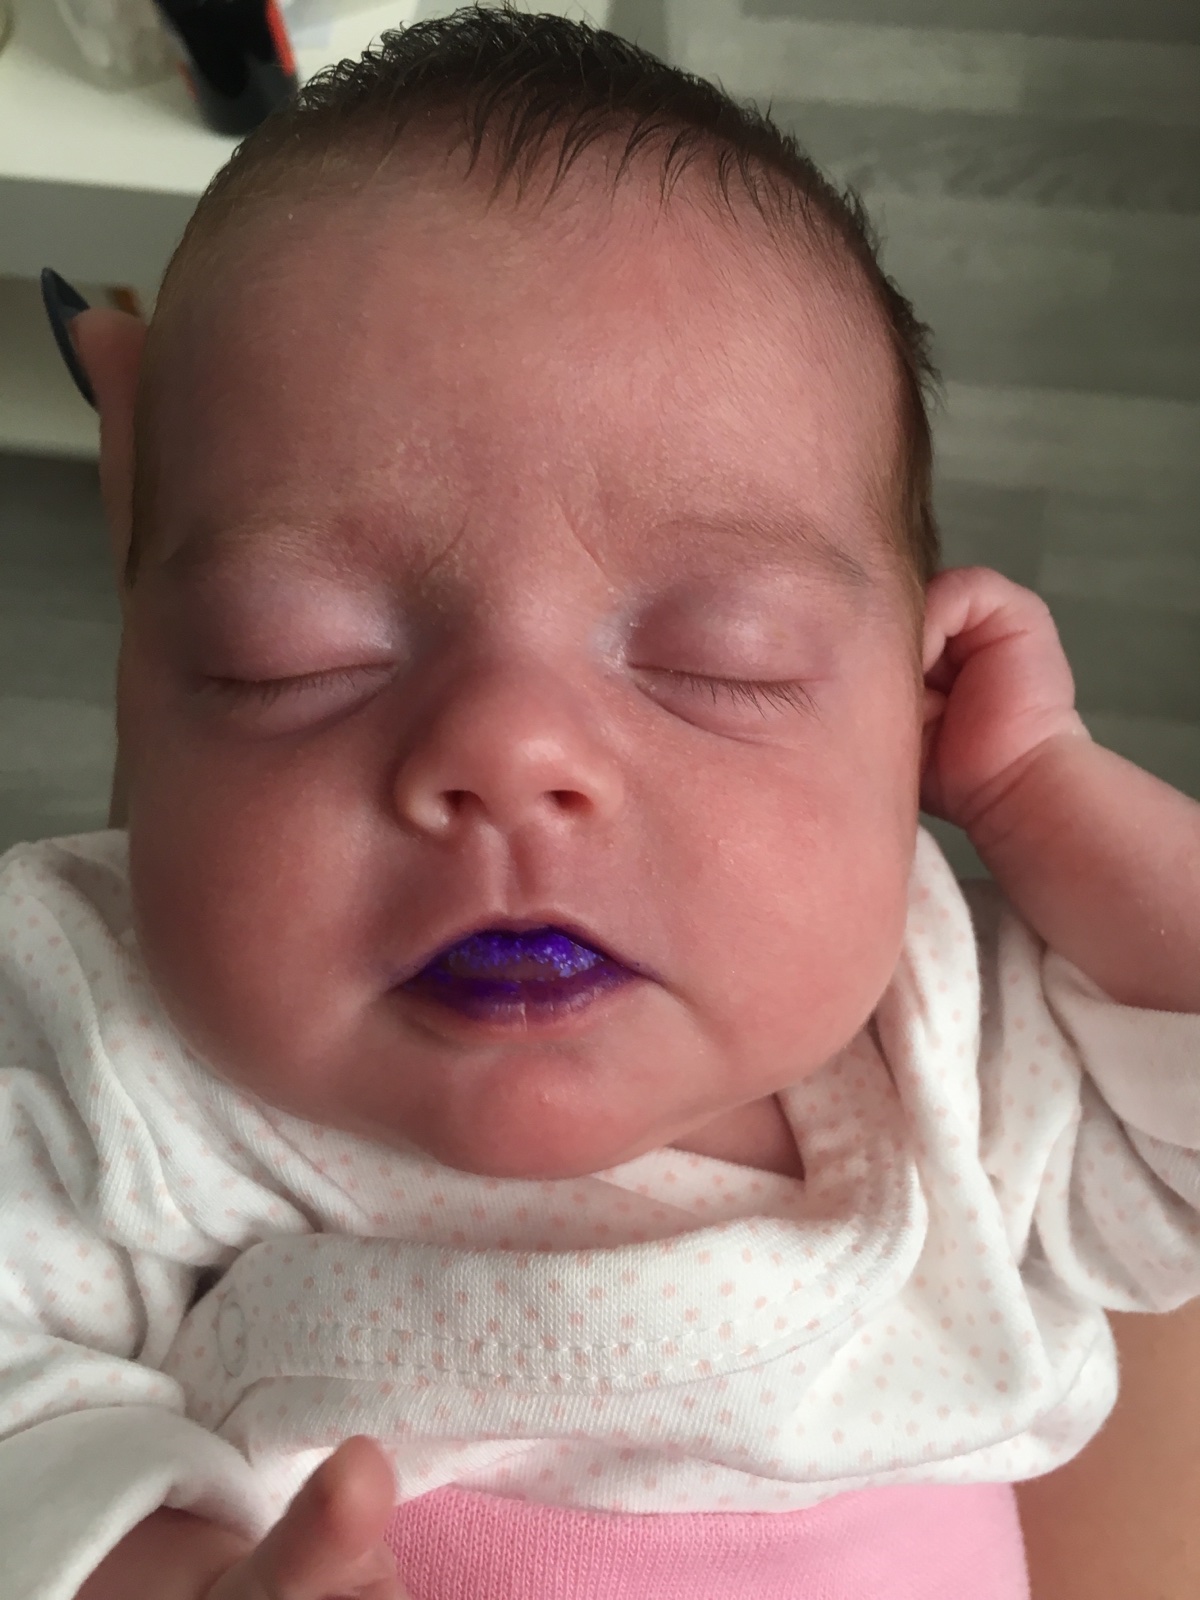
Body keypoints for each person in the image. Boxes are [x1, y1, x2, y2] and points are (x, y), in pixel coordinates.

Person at [15, 10, 1200, 1599]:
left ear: (912, 713)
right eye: (292, 657)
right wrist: (152, 1566)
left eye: (722, 660)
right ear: (138, 701)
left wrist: (1041, 788)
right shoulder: (118, 1043)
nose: (509, 751)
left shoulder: (957, 1053)